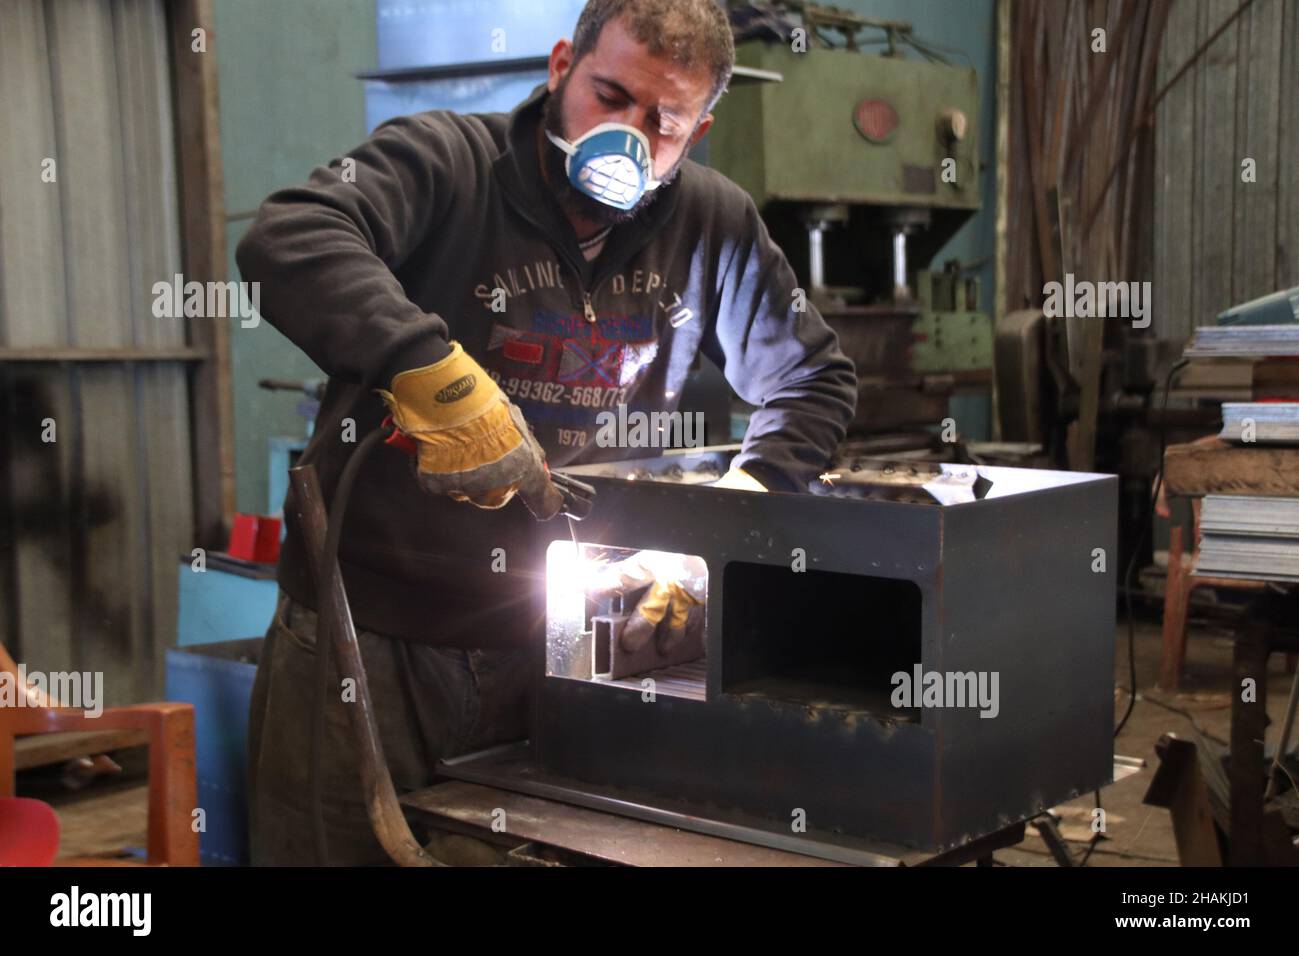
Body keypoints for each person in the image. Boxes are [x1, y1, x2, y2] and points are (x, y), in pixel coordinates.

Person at [237, 0, 856, 865]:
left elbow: (814, 377)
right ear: (563, 63)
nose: (629, 138)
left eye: (663, 123)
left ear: (701, 129)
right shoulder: (448, 161)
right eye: (610, 95)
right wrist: (431, 372)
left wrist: (731, 522)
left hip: (573, 642)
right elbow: (290, 237)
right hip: (371, 633)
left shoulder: (711, 223)